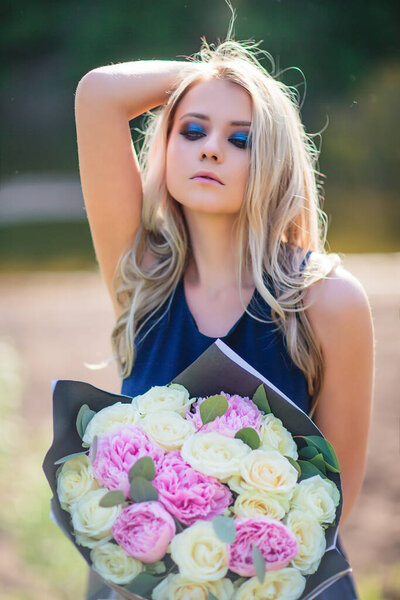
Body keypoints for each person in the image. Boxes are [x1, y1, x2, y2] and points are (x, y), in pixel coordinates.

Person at [75, 29, 374, 600]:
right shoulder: (141, 278)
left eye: (243, 139)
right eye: (193, 130)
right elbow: (97, 96)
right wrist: (211, 77)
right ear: (165, 146)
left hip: (282, 584)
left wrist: (228, 578)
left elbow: (336, 500)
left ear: (278, 158)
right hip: (144, 580)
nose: (212, 148)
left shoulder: (328, 300)